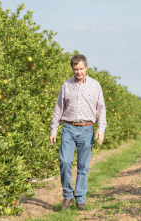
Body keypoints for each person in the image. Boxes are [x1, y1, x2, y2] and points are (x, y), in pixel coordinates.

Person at [49, 54, 106, 210]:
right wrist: (53, 129)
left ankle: (80, 198)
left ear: (86, 67)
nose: (78, 72)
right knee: (65, 162)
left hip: (87, 128)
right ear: (72, 69)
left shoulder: (95, 85)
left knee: (83, 166)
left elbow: (101, 109)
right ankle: (67, 196)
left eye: (81, 69)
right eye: (75, 69)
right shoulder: (66, 85)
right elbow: (59, 107)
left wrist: (101, 129)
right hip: (68, 127)